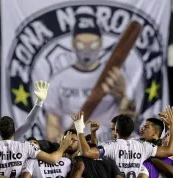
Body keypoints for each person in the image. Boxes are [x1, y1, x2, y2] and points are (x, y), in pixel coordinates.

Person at [45, 8, 134, 142]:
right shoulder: (58, 80)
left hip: (108, 148)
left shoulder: (115, 77)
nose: (87, 49)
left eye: (93, 43)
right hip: (74, 150)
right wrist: (59, 144)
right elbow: (52, 125)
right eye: (81, 43)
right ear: (73, 44)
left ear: (101, 43)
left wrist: (122, 97)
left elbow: (129, 116)